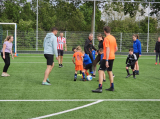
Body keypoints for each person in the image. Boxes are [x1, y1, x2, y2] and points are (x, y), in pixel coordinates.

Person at [92, 26, 118, 93]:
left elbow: (108, 49)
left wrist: (106, 60)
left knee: (100, 71)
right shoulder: (113, 38)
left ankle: (100, 87)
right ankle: (112, 87)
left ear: (104, 31)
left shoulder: (106, 39)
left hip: (107, 57)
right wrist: (112, 54)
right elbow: (116, 48)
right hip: (112, 57)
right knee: (109, 71)